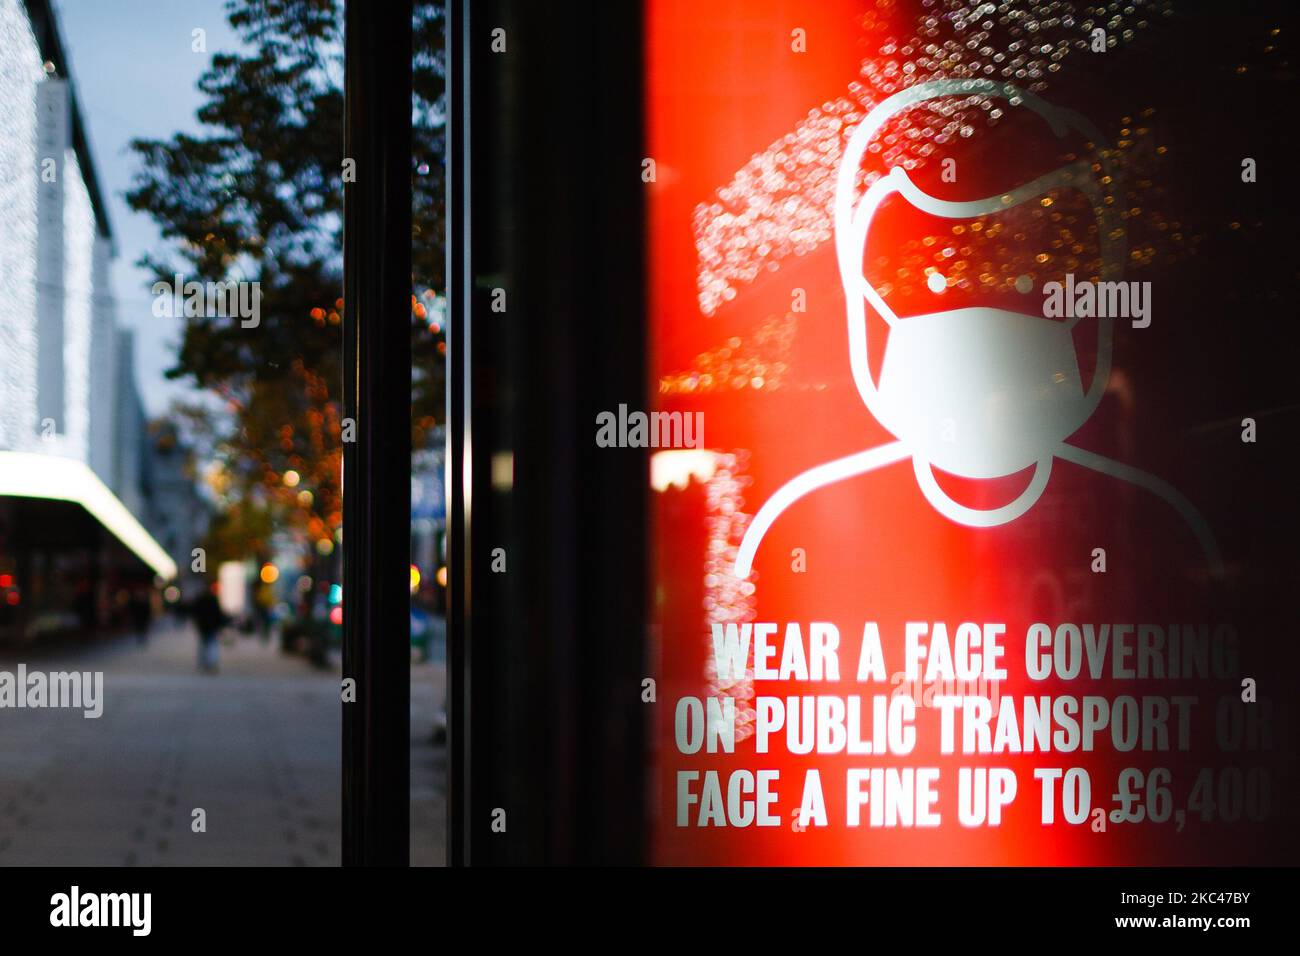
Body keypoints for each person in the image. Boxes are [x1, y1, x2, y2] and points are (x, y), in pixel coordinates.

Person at [188, 582, 230, 674]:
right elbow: (218, 614)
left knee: (203, 644)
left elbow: (194, 612)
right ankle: (212, 663)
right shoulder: (213, 600)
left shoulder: (199, 600)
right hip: (212, 625)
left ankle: (203, 662)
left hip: (203, 625)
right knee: (212, 644)